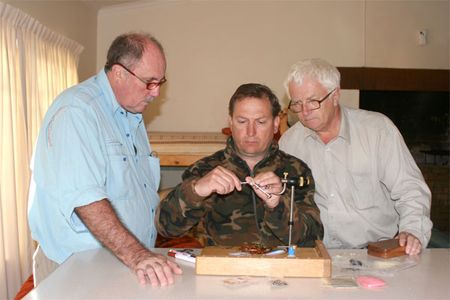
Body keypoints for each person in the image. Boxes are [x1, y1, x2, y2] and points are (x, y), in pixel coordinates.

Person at [28, 32, 182, 287]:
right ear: (119, 73)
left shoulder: (131, 114)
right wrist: (138, 254)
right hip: (77, 268)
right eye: (149, 82)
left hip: (122, 260)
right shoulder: (77, 111)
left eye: (160, 82)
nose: (155, 93)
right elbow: (85, 199)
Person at [279, 58, 432, 255]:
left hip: (377, 252)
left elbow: (410, 188)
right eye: (297, 104)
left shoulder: (377, 131)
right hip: (318, 252)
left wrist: (412, 230)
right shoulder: (289, 143)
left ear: (335, 95)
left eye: (313, 101)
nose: (305, 112)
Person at [156, 83, 323, 248]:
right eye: (242, 121)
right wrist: (196, 191)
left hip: (282, 270)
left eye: (260, 122)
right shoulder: (205, 169)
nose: (250, 132)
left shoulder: (296, 171)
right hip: (222, 271)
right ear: (230, 123)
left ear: (276, 123)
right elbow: (165, 228)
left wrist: (278, 206)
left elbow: (313, 239)